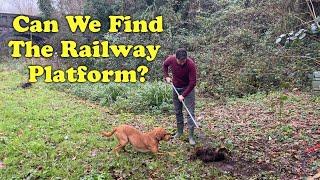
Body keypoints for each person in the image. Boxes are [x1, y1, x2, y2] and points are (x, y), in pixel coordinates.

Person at [163, 48, 197, 145]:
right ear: (176, 58)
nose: (182, 63)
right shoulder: (171, 59)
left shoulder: (190, 65)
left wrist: (183, 95)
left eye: (184, 61)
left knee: (190, 112)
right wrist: (166, 76)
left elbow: (193, 83)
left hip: (188, 89)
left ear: (186, 58)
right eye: (180, 61)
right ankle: (180, 132)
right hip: (176, 87)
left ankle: (191, 136)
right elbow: (165, 65)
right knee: (178, 111)